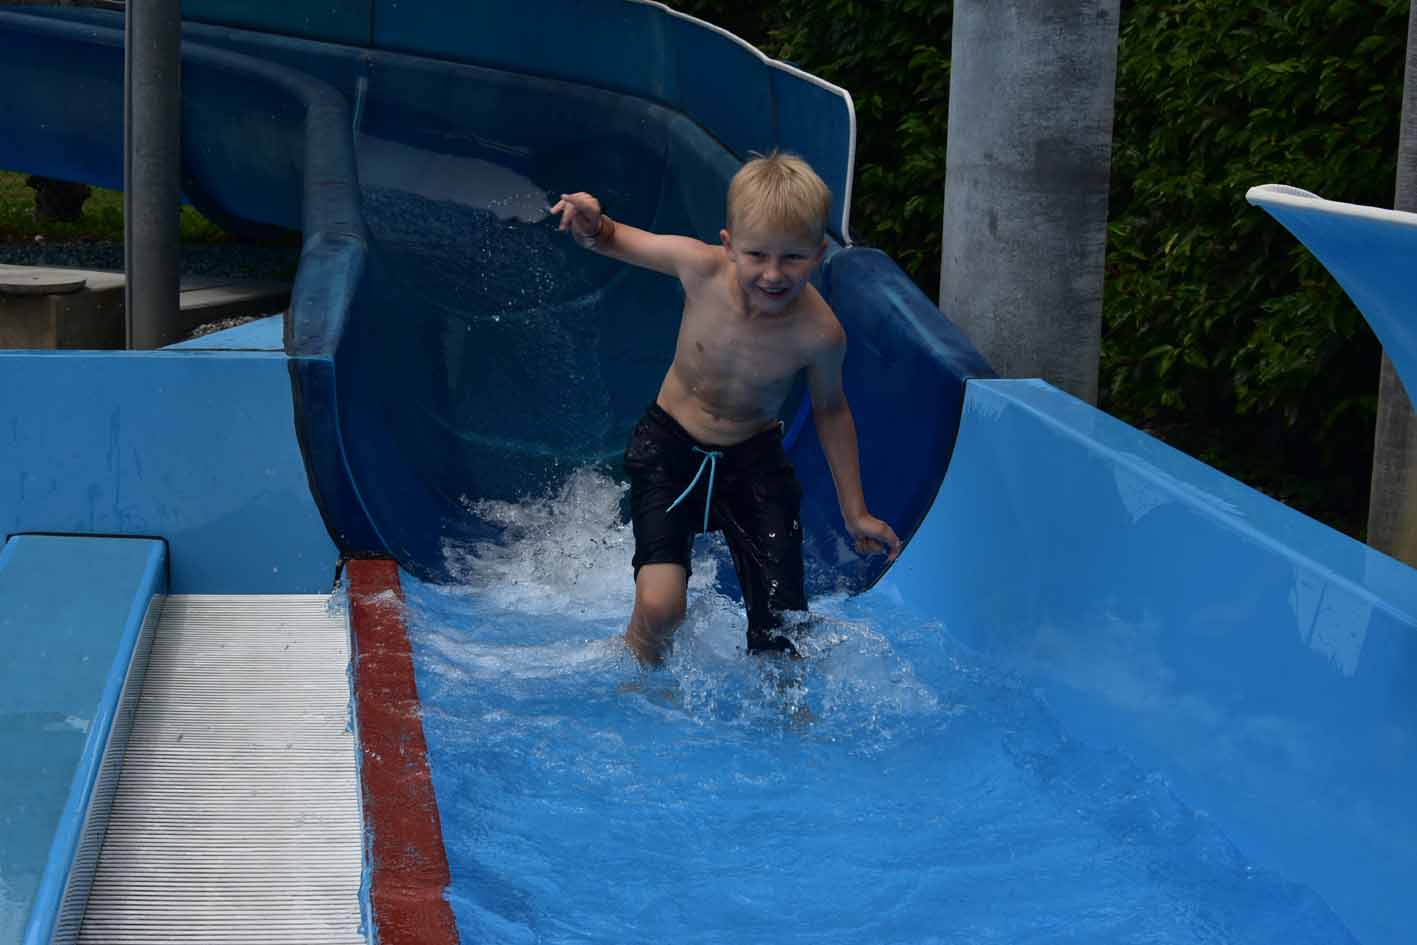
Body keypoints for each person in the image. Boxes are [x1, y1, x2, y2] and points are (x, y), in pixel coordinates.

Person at [551, 151, 900, 666]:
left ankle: (783, 703)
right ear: (729, 244)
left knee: (783, 627)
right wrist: (591, 224)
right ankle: (639, 672)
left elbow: (831, 410)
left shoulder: (820, 333)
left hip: (753, 462)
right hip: (669, 450)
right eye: (757, 254)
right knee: (661, 607)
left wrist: (856, 511)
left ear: (819, 253)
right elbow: (613, 238)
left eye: (793, 257)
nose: (773, 274)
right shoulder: (700, 267)